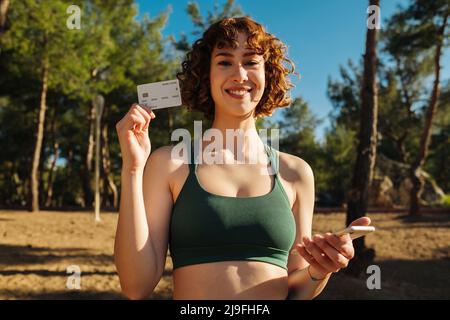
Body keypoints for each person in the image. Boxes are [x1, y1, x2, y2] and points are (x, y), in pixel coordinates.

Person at [114, 16, 371, 300]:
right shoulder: (169, 163)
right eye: (225, 61)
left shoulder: (296, 172)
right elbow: (135, 287)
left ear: (268, 75)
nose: (239, 74)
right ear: (206, 76)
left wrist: (320, 270)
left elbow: (297, 288)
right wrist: (133, 170)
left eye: (251, 62)